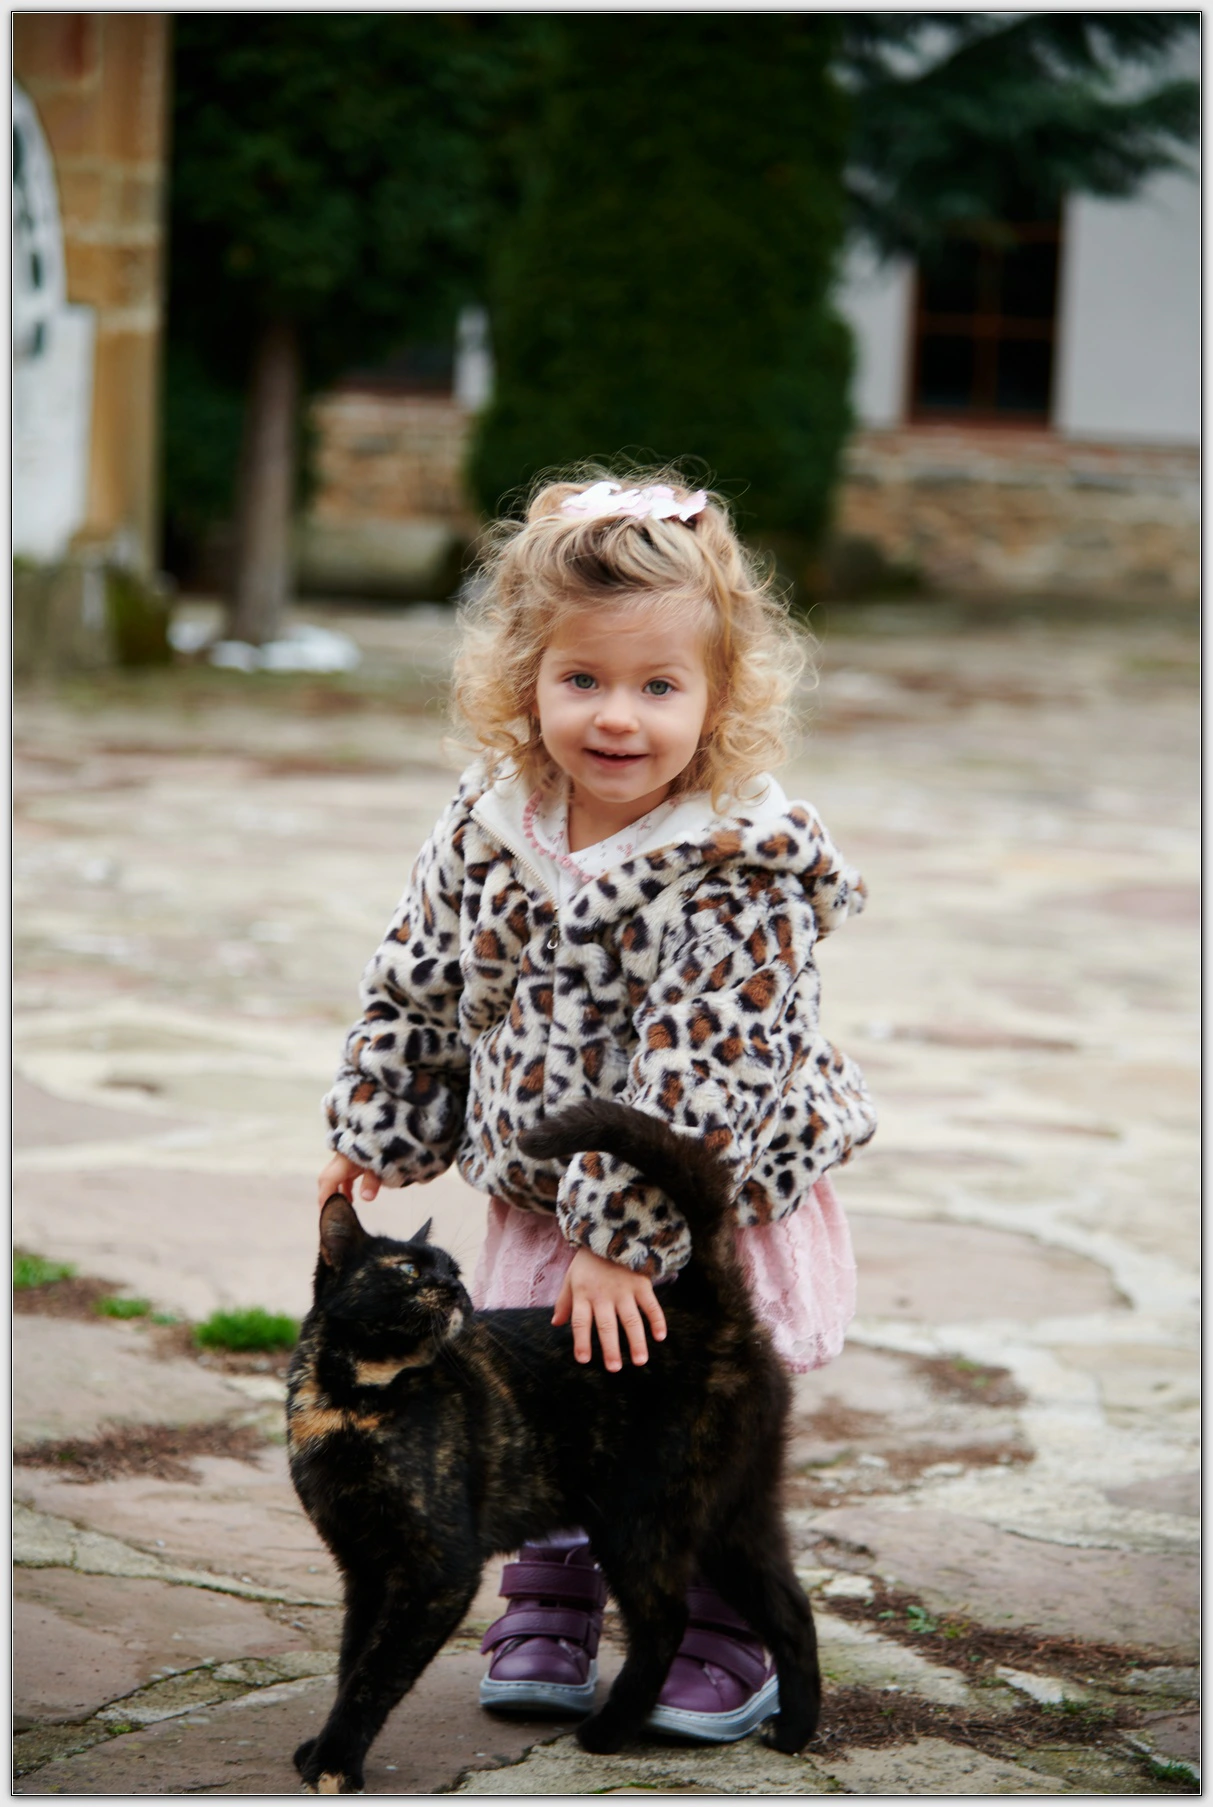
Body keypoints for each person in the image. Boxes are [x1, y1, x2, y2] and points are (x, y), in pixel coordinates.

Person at [317, 471, 876, 1743]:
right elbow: (420, 978)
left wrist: (625, 1238)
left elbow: (706, 1064)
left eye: (658, 686)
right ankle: (551, 1594)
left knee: (684, 1428)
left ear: (721, 697)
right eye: (582, 679)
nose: (616, 716)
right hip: (541, 1195)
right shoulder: (492, 824)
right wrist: (376, 1128)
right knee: (540, 1399)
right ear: (525, 680)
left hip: (697, 1198)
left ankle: (726, 1627)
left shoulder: (741, 861)